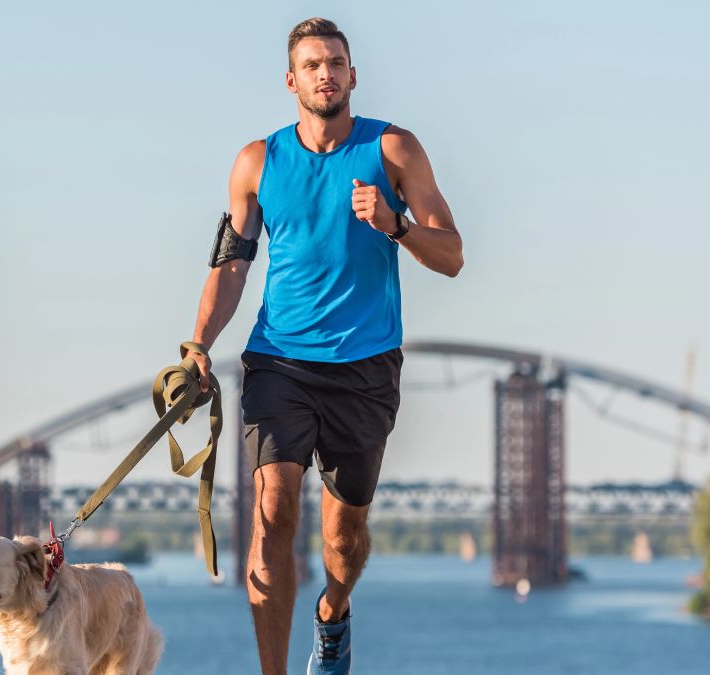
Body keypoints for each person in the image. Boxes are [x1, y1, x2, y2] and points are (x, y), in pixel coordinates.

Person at [186, 18, 463, 675]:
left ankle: (333, 612)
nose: (325, 73)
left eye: (336, 62)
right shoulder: (257, 162)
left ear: (353, 75)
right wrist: (198, 344)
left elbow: (451, 254)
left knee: (344, 539)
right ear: (292, 81)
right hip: (278, 360)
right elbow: (230, 265)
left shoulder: (392, 149)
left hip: (365, 366)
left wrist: (395, 225)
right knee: (273, 511)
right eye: (312, 64)